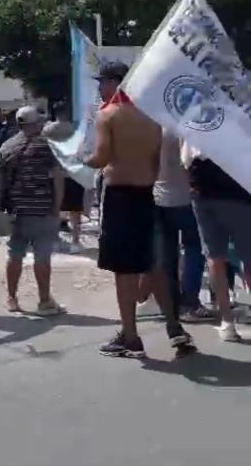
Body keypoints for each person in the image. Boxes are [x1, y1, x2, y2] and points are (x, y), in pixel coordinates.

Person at [83, 62, 193, 358]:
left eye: (102, 81)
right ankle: (173, 326)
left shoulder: (108, 114)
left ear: (116, 82)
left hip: (120, 197)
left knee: (124, 272)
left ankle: (130, 337)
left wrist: (84, 159)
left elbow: (103, 155)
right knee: (152, 265)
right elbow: (155, 164)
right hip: (146, 194)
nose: (99, 87)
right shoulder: (152, 118)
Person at [0, 106, 65, 315]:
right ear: (35, 124)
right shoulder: (47, 146)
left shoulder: (6, 147)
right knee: (42, 256)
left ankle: (11, 298)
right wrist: (57, 208)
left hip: (15, 212)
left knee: (14, 254)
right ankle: (44, 301)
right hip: (42, 209)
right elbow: (58, 179)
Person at [185, 151, 251, 342]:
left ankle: (227, 323)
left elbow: (186, 157)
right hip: (239, 191)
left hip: (203, 191)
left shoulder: (195, 122)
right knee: (248, 257)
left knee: (214, 257)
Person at [152, 130, 212, 323]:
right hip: (187, 199)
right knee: (195, 249)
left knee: (167, 255)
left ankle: (169, 304)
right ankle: (189, 303)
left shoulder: (153, 124)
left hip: (159, 197)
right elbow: (190, 161)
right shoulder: (185, 126)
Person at [44, 101, 85, 254]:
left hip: (53, 174)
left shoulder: (47, 130)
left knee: (55, 209)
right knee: (75, 210)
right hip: (73, 173)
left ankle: (54, 240)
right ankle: (75, 241)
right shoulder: (76, 130)